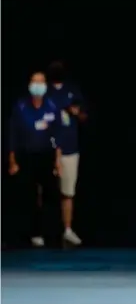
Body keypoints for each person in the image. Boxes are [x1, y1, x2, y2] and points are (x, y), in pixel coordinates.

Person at [9, 71, 62, 247]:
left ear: (45, 85)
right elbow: (13, 135)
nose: (37, 85)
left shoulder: (52, 106)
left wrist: (58, 161)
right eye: (34, 82)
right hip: (26, 157)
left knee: (50, 197)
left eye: (41, 82)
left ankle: (51, 235)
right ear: (29, 84)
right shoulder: (21, 106)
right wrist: (12, 161)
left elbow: (57, 136)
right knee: (26, 197)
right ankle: (27, 235)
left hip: (46, 156)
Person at [46, 60, 86, 245]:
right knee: (43, 190)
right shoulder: (45, 93)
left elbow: (84, 116)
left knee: (68, 191)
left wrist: (76, 112)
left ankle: (67, 230)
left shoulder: (72, 90)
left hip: (70, 148)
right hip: (47, 148)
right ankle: (41, 231)